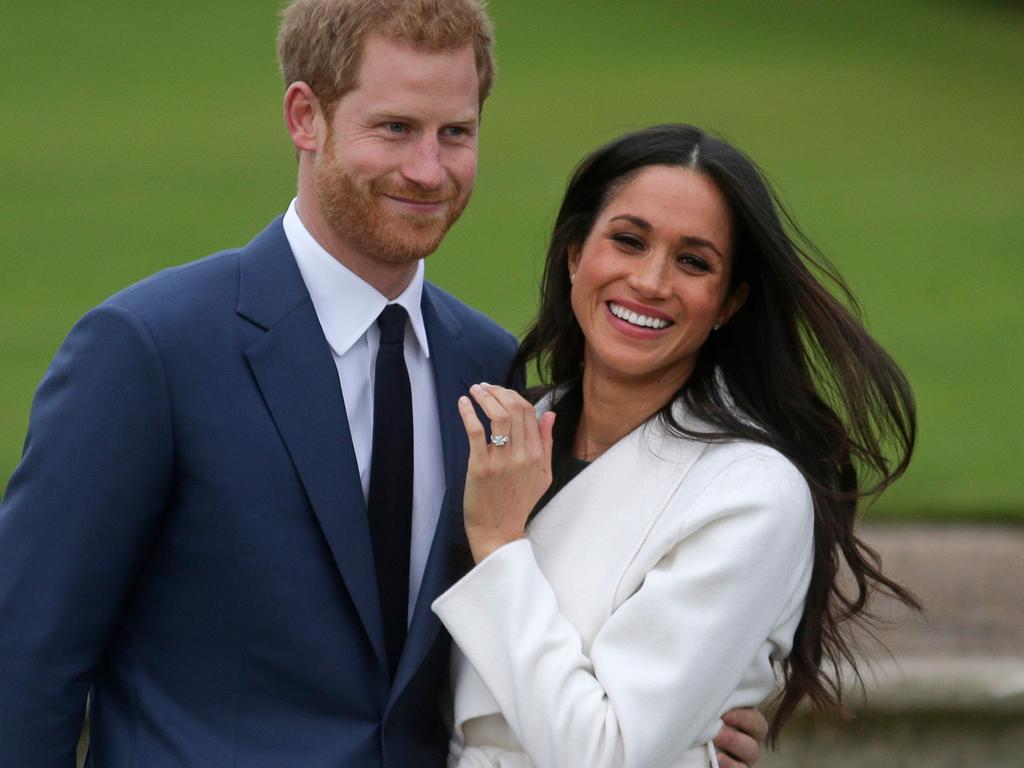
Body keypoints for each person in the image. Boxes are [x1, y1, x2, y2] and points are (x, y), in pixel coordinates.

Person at [0, 4, 766, 767]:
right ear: (306, 117)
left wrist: (687, 720)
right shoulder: (150, 352)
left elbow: (538, 617)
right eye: (395, 128)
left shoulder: (491, 368)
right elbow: (25, 662)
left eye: (455, 134)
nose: (429, 170)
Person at [432, 124, 920, 767]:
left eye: (694, 262)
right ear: (574, 254)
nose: (651, 281)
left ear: (728, 302)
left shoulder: (750, 493)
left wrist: (499, 544)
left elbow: (608, 756)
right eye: (628, 241)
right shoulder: (513, 431)